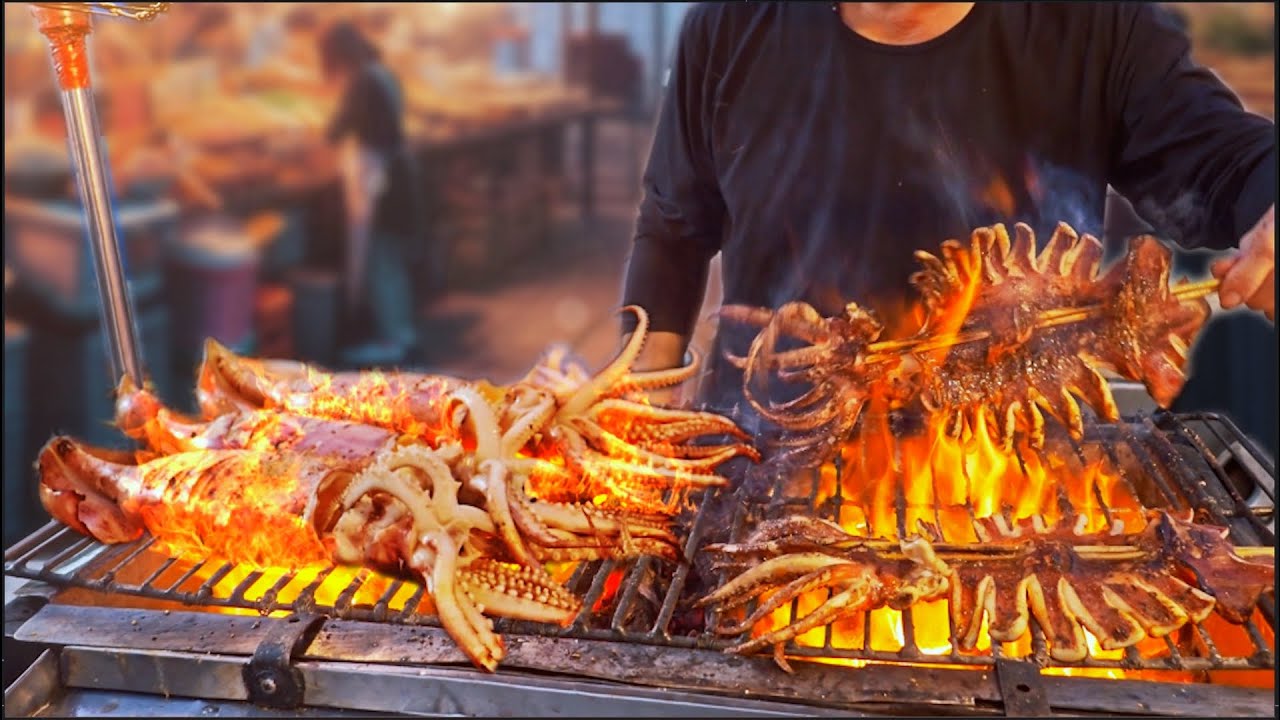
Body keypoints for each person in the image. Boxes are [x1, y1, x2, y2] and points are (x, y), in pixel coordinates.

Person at [621, 2, 1275, 413]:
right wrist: (639, 402)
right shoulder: (730, 25)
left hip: (1004, 482)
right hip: (764, 446)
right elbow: (675, 225)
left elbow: (1231, 162)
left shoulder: (1098, 26)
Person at [319, 20, 425, 363]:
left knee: (381, 262)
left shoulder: (362, 82)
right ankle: (402, 334)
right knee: (391, 262)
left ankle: (393, 340)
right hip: (396, 174)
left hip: (381, 182)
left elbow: (336, 130)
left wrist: (310, 141)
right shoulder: (382, 74)